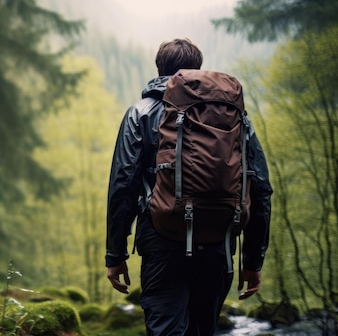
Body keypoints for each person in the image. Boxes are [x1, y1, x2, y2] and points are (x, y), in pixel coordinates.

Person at [105, 38, 273, 335]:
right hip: (218, 241)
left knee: (166, 329)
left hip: (162, 238)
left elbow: (123, 186)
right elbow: (259, 187)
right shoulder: (235, 119)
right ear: (196, 70)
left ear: (159, 68)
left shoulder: (140, 112)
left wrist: (116, 255)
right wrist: (253, 261)